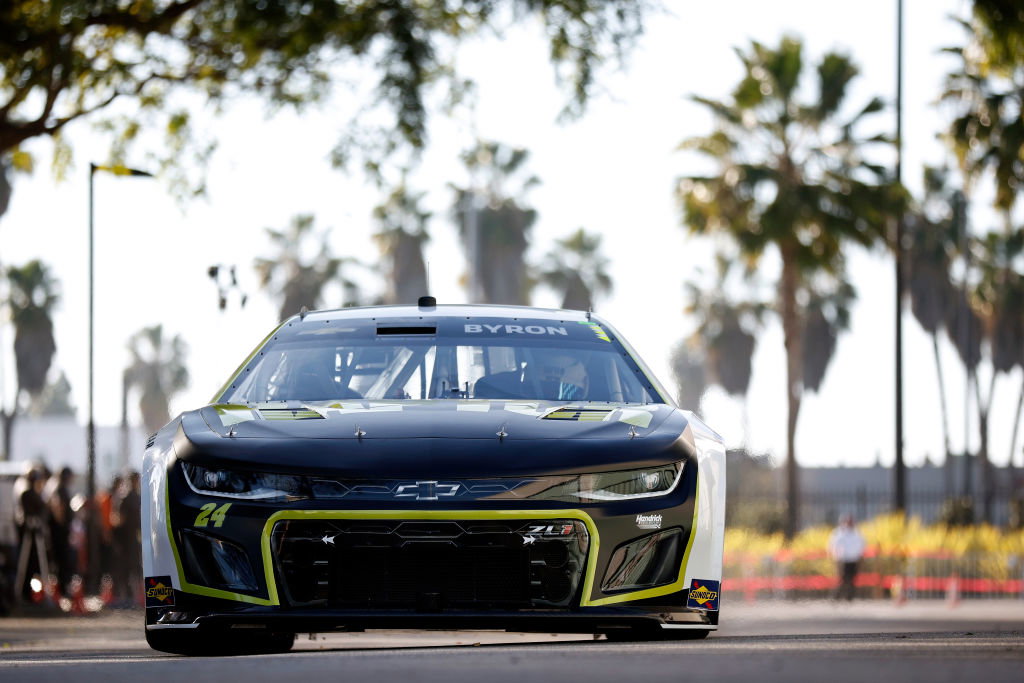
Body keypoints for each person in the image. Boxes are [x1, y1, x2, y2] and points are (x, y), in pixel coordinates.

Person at [44, 467, 76, 596]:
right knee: (62, 561)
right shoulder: (59, 488)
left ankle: (61, 590)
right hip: (59, 532)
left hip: (59, 531)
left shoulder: (57, 487)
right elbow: (58, 507)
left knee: (61, 561)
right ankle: (62, 591)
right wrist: (63, 525)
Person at [828, 514, 866, 601]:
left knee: (852, 579)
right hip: (843, 560)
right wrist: (834, 554)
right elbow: (832, 544)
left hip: (854, 559)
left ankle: (849, 597)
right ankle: (835, 596)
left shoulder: (857, 533)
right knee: (842, 579)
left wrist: (860, 555)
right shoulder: (839, 533)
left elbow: (862, 544)